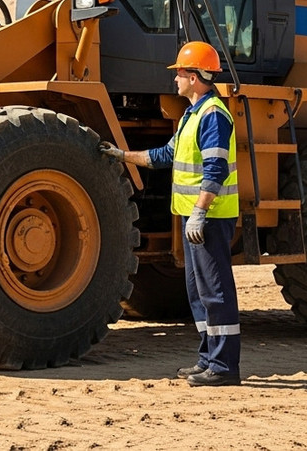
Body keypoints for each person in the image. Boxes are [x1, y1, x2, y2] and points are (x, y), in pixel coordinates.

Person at [98, 41, 242, 386]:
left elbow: (215, 169)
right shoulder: (191, 116)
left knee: (215, 290)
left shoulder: (213, 116)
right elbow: (163, 157)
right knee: (197, 291)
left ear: (194, 77)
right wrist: (121, 155)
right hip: (195, 218)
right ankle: (208, 359)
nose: (175, 78)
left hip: (209, 218)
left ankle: (224, 367)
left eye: (179, 72)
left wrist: (199, 213)